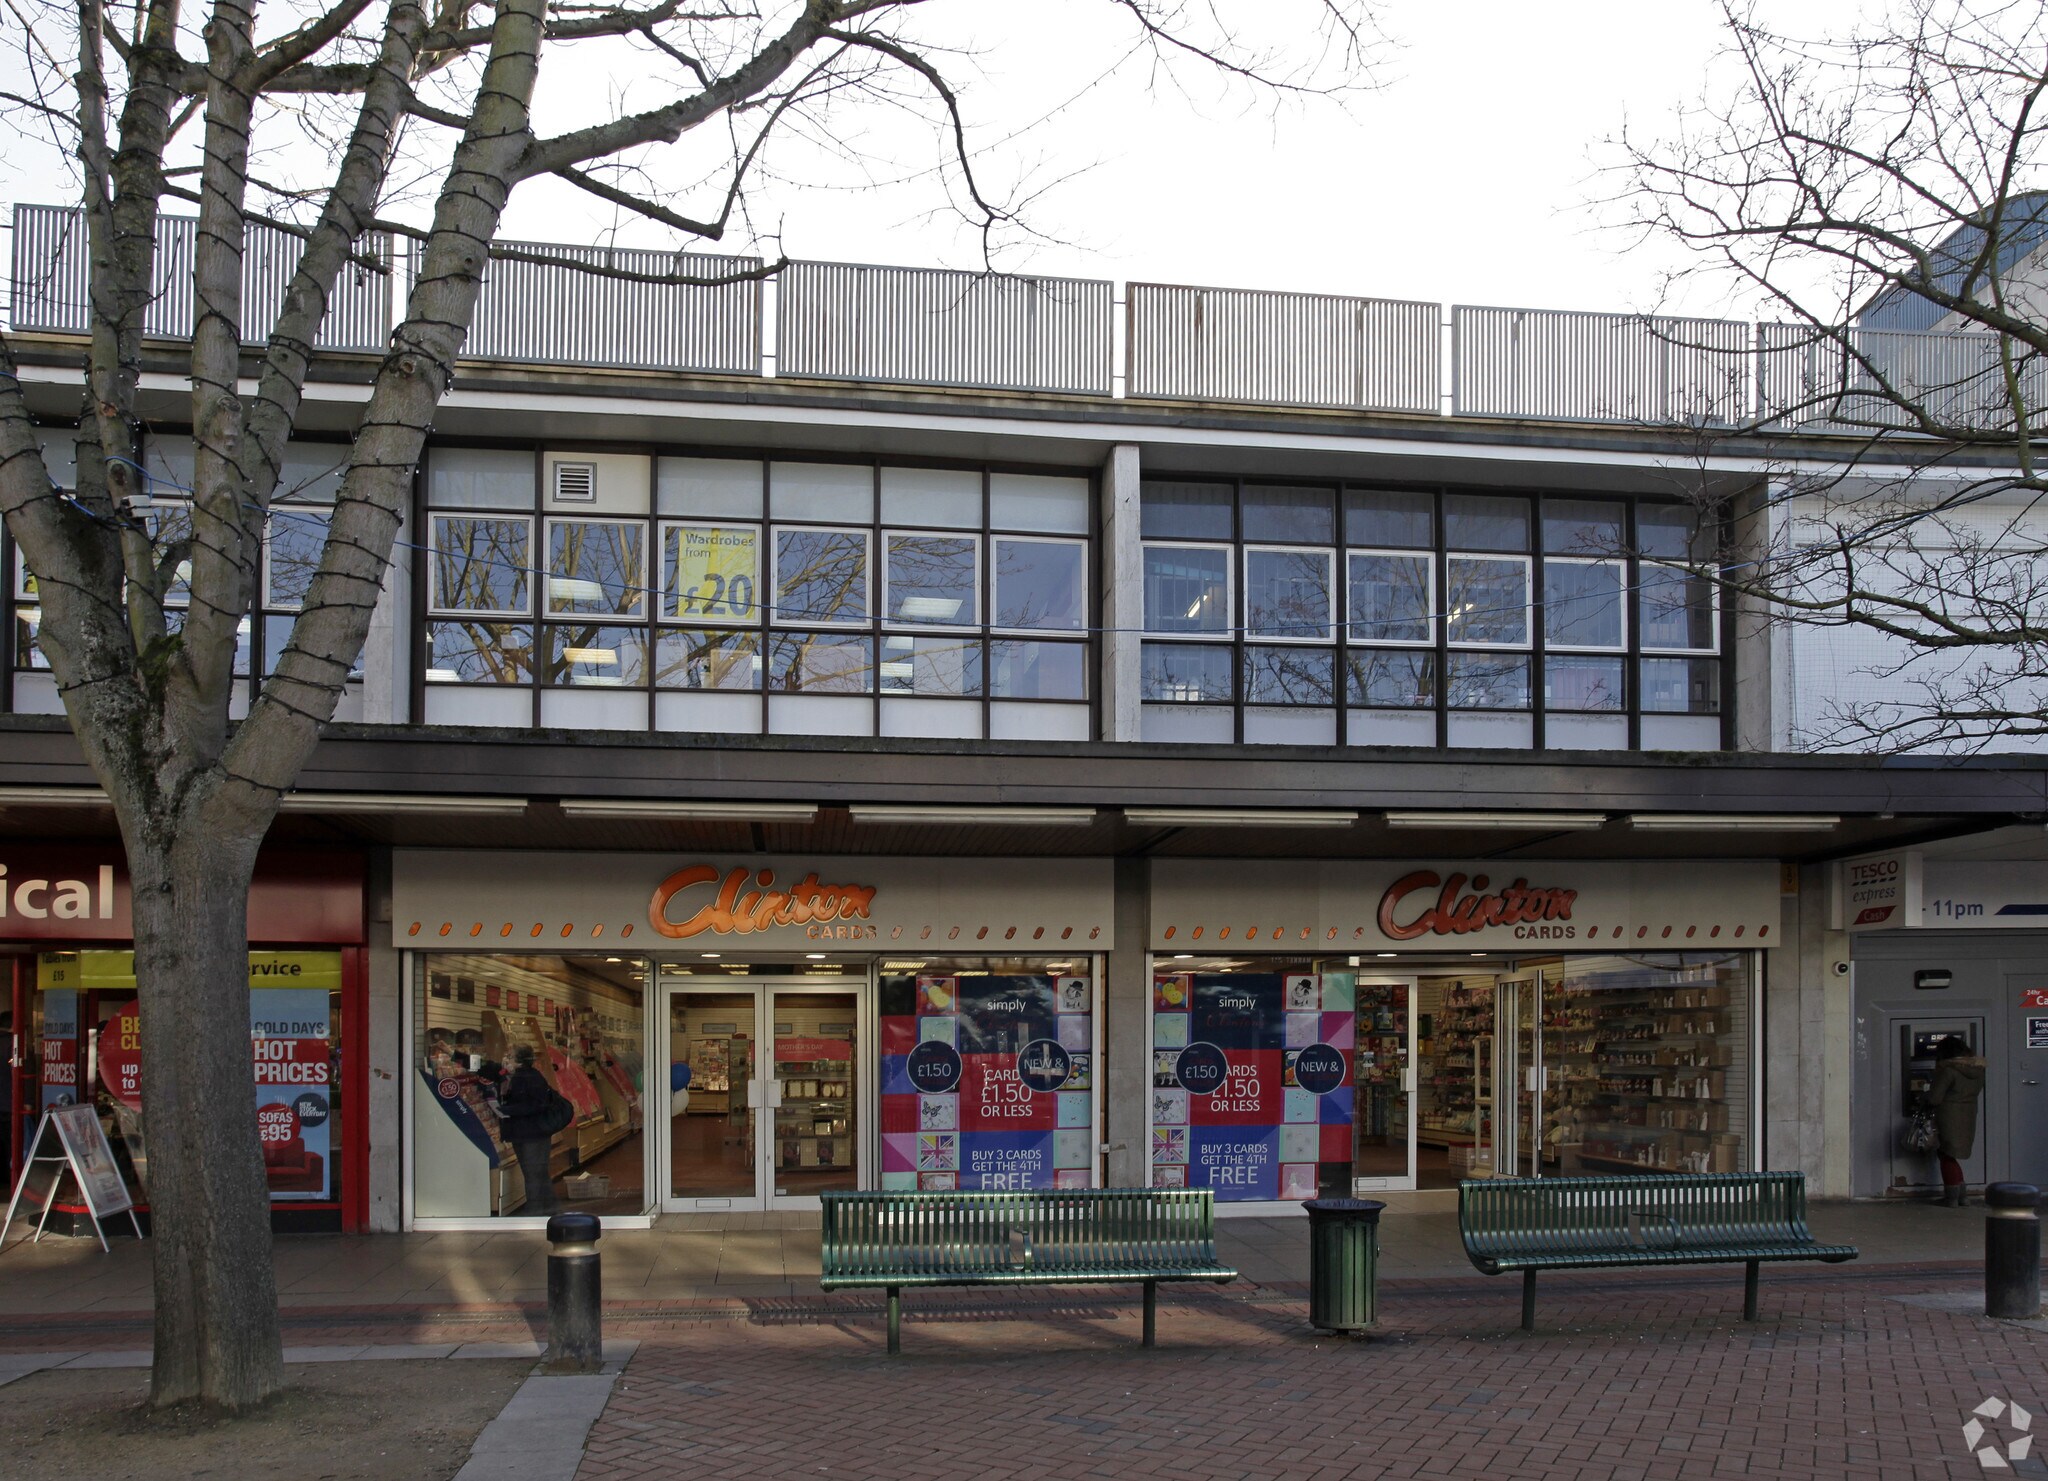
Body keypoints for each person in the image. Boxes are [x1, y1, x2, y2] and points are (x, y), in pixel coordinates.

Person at [497, 1046, 561, 1216]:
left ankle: (535, 1211)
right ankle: (549, 1207)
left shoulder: (527, 1078)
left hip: (531, 1134)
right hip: (531, 1133)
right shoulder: (525, 1076)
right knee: (538, 1172)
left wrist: (508, 1110)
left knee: (533, 1173)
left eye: (510, 1056)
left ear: (519, 1061)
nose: (506, 1059)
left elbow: (535, 1105)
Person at [1925, 1034, 1986, 1207]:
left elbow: (1935, 1098)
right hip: (1967, 1113)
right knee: (1953, 1154)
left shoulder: (1948, 1070)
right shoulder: (1978, 1070)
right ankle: (1962, 1196)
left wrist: (1925, 1096)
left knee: (1946, 1155)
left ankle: (1951, 1197)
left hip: (1948, 1115)